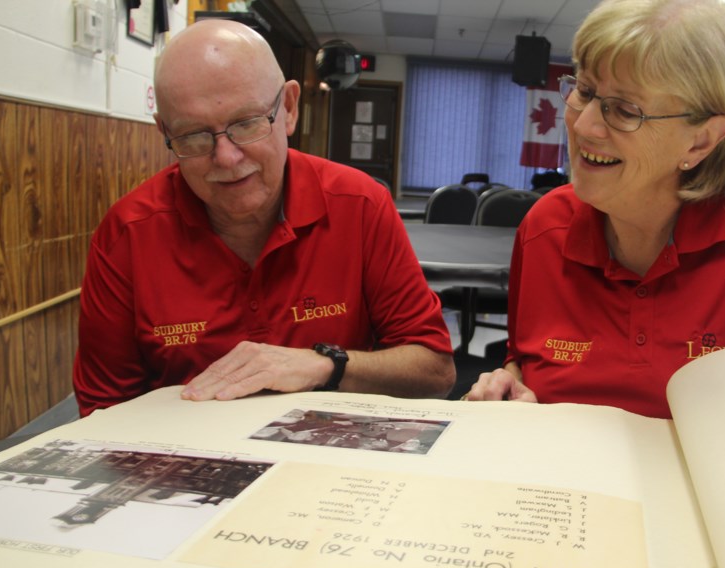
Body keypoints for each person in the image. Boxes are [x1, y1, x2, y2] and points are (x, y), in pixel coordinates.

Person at [465, 0, 725, 418]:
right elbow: (526, 360)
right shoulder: (545, 228)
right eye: (586, 92)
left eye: (625, 110)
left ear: (701, 141)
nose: (583, 124)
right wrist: (509, 384)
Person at [73, 19, 455, 417]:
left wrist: (325, 365)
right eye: (194, 136)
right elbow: (103, 407)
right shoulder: (127, 233)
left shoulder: (360, 204)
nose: (226, 157)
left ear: (288, 109)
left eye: (246, 123)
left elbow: (434, 370)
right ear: (165, 131)